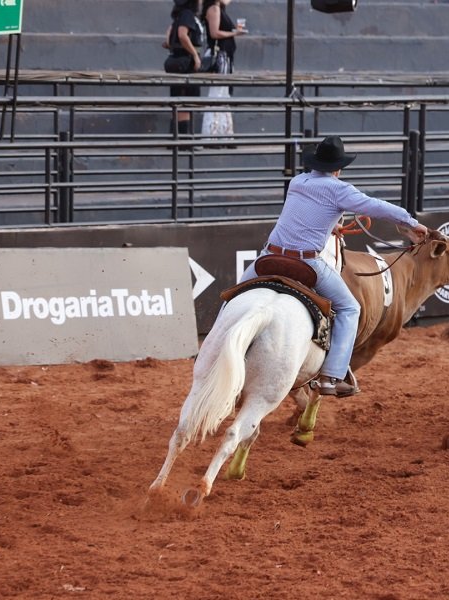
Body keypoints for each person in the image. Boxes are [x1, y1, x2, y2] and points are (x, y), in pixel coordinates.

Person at [241, 136, 428, 397]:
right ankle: (331, 376)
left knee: (236, 296)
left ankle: (211, 349)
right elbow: (376, 206)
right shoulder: (340, 189)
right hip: (306, 260)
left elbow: (305, 215)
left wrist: (331, 225)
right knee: (350, 308)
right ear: (338, 168)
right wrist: (411, 222)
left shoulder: (297, 182)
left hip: (268, 257)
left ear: (314, 163)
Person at [201, 0, 245, 139]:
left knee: (223, 94)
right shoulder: (214, 9)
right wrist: (234, 34)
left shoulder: (219, 8)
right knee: (218, 94)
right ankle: (212, 133)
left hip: (225, 55)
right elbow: (214, 33)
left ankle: (223, 132)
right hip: (220, 55)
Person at [162, 0, 206, 136]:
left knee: (179, 99)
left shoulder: (179, 16)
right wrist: (194, 54)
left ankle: (176, 137)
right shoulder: (187, 15)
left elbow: (168, 40)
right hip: (186, 62)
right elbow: (182, 34)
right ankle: (184, 137)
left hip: (177, 60)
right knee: (187, 101)